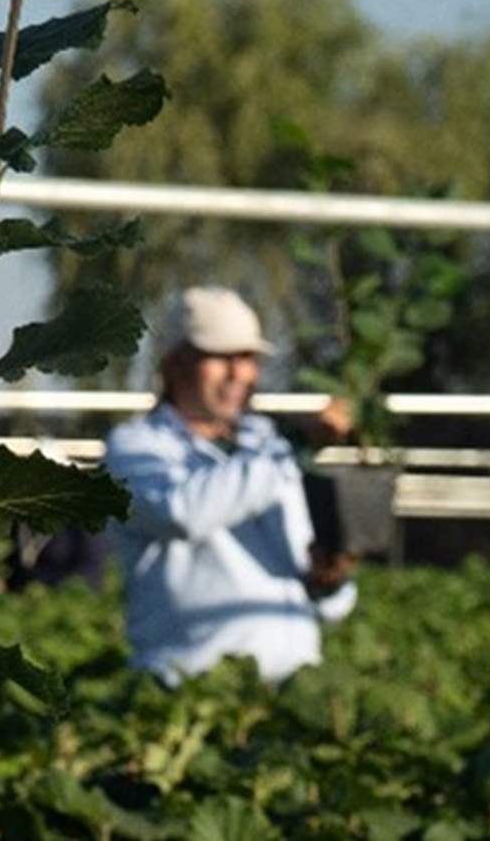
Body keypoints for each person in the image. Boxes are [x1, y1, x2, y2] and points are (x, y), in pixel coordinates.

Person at [104, 286, 357, 686]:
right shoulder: (135, 448)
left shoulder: (266, 444)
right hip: (191, 690)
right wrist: (300, 445)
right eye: (221, 357)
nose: (239, 373)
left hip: (290, 684)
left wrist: (328, 583)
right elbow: (183, 513)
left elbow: (314, 586)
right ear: (176, 363)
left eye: (247, 358)